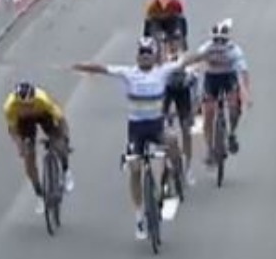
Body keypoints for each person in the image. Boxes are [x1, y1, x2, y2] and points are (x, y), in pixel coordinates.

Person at [72, 37, 204, 241]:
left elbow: (184, 61)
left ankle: (175, 173)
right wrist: (80, 66)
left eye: (148, 53)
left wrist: (206, 53)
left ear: (154, 56)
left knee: (172, 141)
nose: (145, 56)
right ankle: (139, 217)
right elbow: (102, 69)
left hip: (156, 127)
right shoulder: (128, 73)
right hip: (136, 131)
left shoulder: (162, 72)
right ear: (137, 56)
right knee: (135, 169)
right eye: (142, 53)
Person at [3, 82, 74, 213]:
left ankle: (66, 172)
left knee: (59, 144)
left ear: (34, 99)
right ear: (17, 103)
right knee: (29, 159)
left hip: (43, 114)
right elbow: (13, 130)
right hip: (24, 122)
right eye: (23, 106)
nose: (27, 108)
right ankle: (40, 195)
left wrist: (65, 139)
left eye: (30, 105)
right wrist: (20, 146)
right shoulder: (10, 106)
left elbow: (61, 119)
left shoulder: (43, 99)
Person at [197, 19, 251, 167]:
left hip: (228, 78)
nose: (219, 43)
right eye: (216, 40)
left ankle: (232, 133)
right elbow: (197, 65)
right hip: (211, 79)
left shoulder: (234, 50)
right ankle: (209, 149)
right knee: (208, 114)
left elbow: (243, 72)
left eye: (223, 40)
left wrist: (246, 93)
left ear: (228, 40)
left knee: (234, 108)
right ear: (212, 39)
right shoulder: (206, 48)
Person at [162, 29, 199, 186]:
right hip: (166, 92)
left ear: (180, 42)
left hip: (183, 92)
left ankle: (188, 168)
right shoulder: (160, 58)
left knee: (186, 129)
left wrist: (196, 104)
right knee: (163, 130)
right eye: (169, 41)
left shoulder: (186, 58)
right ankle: (167, 164)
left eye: (175, 40)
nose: (172, 44)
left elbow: (195, 81)